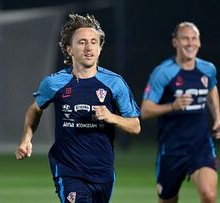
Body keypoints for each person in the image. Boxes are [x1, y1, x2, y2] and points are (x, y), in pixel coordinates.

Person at [15, 13, 141, 203]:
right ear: (69, 49)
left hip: (102, 171)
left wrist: (112, 117)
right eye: (82, 42)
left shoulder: (114, 83)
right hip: (67, 168)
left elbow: (135, 126)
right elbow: (35, 109)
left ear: (100, 48)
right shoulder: (54, 83)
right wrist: (26, 138)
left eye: (93, 42)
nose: (89, 47)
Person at [141, 22, 219, 203]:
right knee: (168, 200)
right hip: (172, 150)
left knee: (209, 195)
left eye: (194, 39)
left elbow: (212, 89)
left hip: (201, 147)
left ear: (199, 43)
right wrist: (172, 106)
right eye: (185, 38)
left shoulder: (208, 69)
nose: (190, 43)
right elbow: (145, 110)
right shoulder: (162, 72)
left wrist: (218, 117)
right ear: (175, 42)